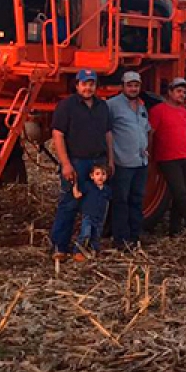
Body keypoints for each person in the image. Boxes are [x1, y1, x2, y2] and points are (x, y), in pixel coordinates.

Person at [50, 69, 113, 260]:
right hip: (77, 162)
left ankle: (85, 248)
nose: (88, 88)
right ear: (77, 85)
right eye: (84, 84)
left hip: (98, 162)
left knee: (95, 206)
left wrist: (110, 160)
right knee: (69, 202)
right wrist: (66, 164)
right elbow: (58, 135)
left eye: (91, 84)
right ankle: (59, 247)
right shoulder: (66, 106)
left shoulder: (102, 106)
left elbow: (108, 134)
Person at [106, 71, 151, 248]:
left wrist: (147, 149)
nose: (133, 89)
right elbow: (107, 132)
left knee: (137, 199)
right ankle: (121, 239)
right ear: (122, 87)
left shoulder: (141, 106)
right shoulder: (112, 105)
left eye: (136, 85)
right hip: (122, 161)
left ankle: (135, 235)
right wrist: (110, 158)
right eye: (130, 85)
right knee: (121, 201)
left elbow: (147, 129)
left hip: (141, 162)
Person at [150, 77, 186, 236]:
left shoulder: (184, 112)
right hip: (167, 157)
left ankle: (175, 228)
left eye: (184, 92)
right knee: (179, 191)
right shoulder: (158, 110)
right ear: (170, 92)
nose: (182, 95)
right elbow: (151, 133)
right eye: (179, 91)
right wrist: (149, 152)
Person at [72, 161, 111, 260]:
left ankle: (95, 251)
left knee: (96, 236)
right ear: (92, 176)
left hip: (100, 216)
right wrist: (74, 183)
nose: (100, 177)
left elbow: (108, 202)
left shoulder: (107, 190)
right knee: (85, 233)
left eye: (103, 174)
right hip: (88, 215)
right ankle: (77, 251)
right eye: (97, 174)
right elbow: (77, 194)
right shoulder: (88, 187)